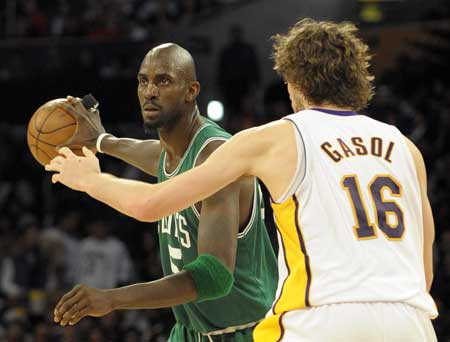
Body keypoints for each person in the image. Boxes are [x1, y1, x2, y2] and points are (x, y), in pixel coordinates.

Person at [46, 19, 438, 341]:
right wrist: (104, 141)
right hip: (411, 320)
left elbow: (153, 203)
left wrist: (90, 180)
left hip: (323, 319)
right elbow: (425, 270)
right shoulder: (406, 148)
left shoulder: (276, 137)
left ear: (295, 83)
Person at [49, 43, 277, 341]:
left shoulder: (215, 154)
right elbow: (158, 155)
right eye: (143, 80)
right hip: (190, 332)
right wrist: (104, 141)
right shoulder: (177, 154)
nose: (150, 91)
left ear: (191, 91)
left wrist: (112, 298)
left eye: (163, 80)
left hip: (246, 332)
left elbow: (214, 277)